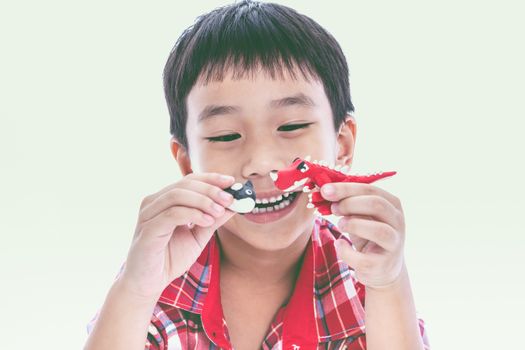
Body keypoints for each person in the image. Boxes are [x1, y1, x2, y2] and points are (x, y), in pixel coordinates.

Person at [84, 1, 431, 349]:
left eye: (292, 125)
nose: (262, 162)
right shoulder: (159, 272)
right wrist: (136, 289)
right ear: (187, 162)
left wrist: (389, 282)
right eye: (224, 135)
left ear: (342, 145)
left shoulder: (365, 278)